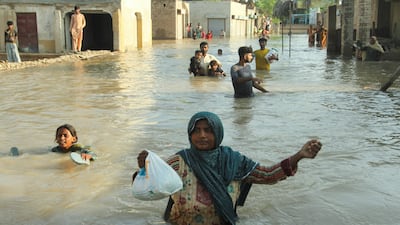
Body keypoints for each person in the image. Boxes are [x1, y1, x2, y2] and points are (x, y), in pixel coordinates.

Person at [133, 111, 322, 225]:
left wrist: (299, 156)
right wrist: (146, 169)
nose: (202, 135)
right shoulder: (178, 161)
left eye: (208, 130)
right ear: (190, 135)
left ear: (218, 132)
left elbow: (268, 175)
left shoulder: (235, 161)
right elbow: (149, 190)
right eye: (196, 131)